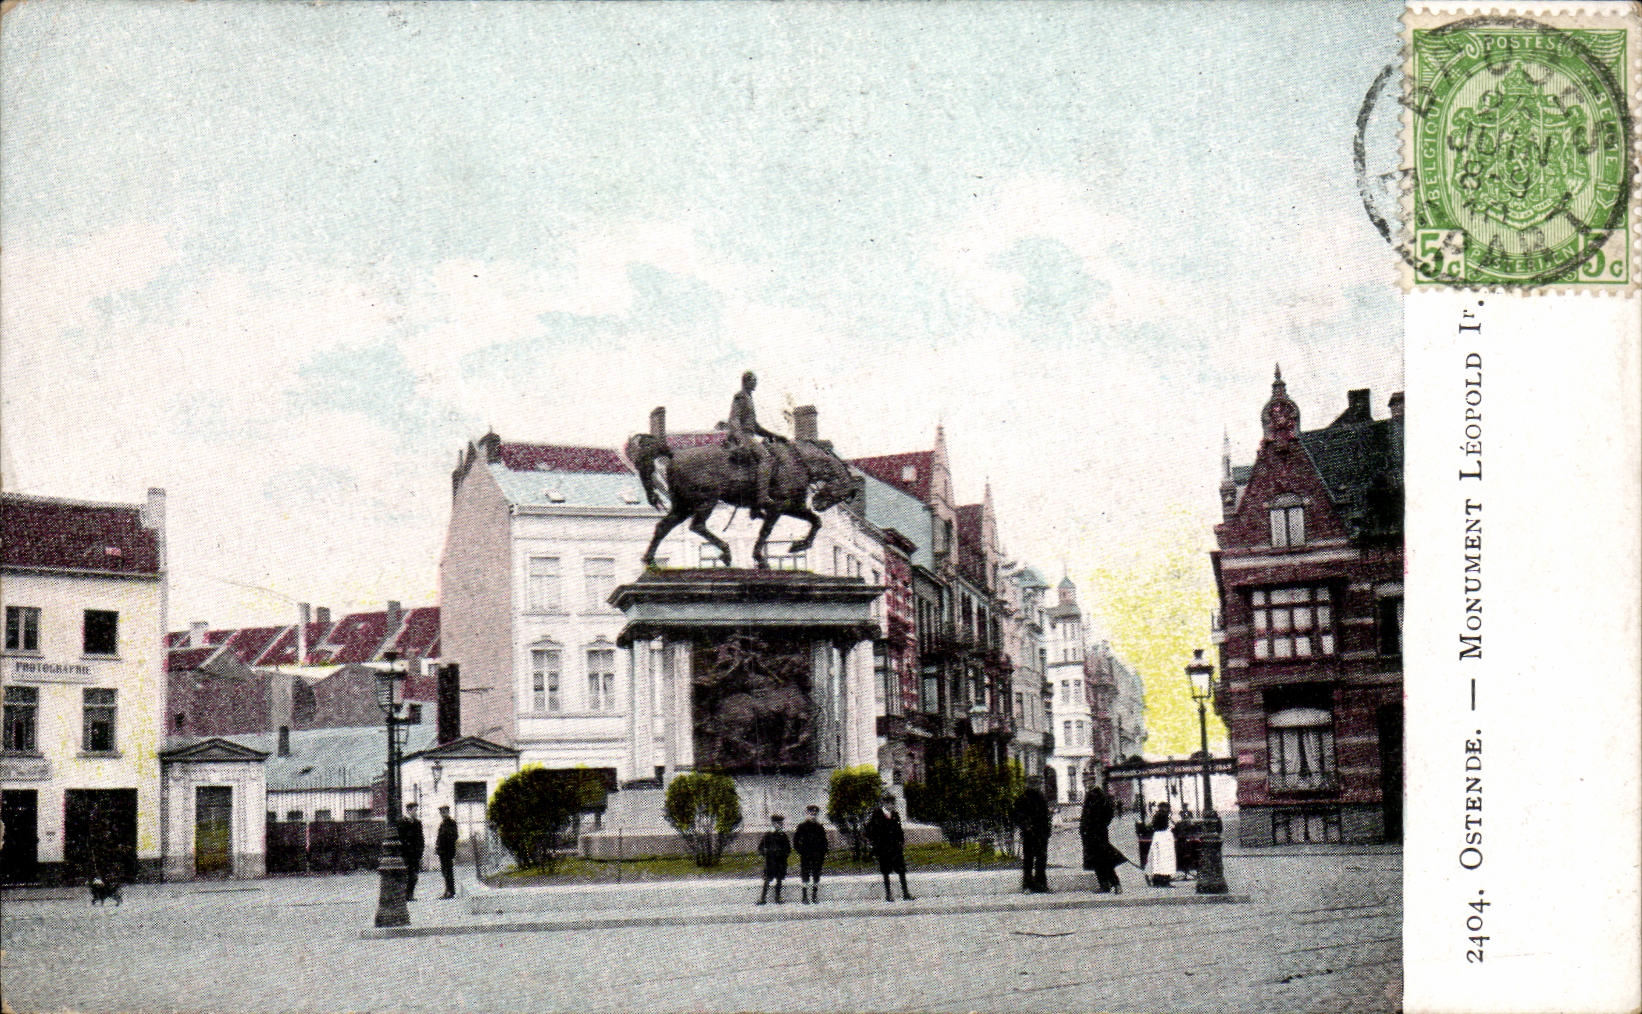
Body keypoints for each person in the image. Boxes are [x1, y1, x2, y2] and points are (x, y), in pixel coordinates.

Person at [724, 371, 785, 518]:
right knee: (766, 458)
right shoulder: (741, 396)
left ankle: (755, 507)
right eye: (754, 381)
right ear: (747, 381)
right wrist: (740, 439)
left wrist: (773, 435)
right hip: (744, 436)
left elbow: (755, 426)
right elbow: (734, 420)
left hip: (749, 435)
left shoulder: (749, 398)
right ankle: (762, 496)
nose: (756, 383)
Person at [864, 792, 915, 902]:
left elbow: (899, 829)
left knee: (901, 870)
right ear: (884, 803)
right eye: (889, 803)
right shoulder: (877, 814)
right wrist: (874, 843)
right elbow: (869, 830)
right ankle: (888, 894)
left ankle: (905, 893)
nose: (891, 805)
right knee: (886, 871)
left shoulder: (895, 814)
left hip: (895, 848)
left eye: (892, 803)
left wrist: (901, 841)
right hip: (883, 848)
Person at [1012, 776, 1052, 893]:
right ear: (1029, 785)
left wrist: (1047, 830)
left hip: (1041, 834)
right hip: (1029, 834)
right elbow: (1017, 815)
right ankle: (1028, 885)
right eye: (1033, 784)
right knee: (1028, 860)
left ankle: (1041, 884)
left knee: (1041, 859)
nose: (1036, 786)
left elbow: (1046, 816)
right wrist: (1026, 826)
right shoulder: (1023, 798)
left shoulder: (1041, 798)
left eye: (1037, 784)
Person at [1080, 781, 1122, 894]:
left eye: (1089, 782)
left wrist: (1096, 826)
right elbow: (1109, 813)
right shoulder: (1101, 796)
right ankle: (1114, 884)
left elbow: (1089, 816)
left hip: (1093, 834)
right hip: (1099, 833)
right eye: (1086, 782)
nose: (1087, 784)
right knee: (1104, 859)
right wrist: (1103, 825)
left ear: (1093, 783)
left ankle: (1106, 885)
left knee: (1098, 860)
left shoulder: (1093, 796)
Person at [793, 804, 829, 904]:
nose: (813, 816)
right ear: (807, 814)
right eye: (811, 814)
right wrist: (802, 851)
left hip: (817, 855)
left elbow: (824, 841)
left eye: (815, 814)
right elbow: (796, 842)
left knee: (816, 875)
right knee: (805, 875)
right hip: (806, 855)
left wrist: (823, 852)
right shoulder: (802, 826)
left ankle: (814, 896)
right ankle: (804, 897)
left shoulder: (819, 827)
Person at [756, 814, 791, 905]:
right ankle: (762, 898)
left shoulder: (783, 835)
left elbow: (788, 849)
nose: (779, 825)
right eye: (777, 823)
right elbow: (760, 848)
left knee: (779, 880)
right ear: (773, 824)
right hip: (770, 862)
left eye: (780, 823)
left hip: (780, 862)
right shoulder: (768, 835)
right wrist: (767, 853)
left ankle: (778, 897)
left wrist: (783, 854)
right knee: (767, 880)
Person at [1145, 801, 1177, 887]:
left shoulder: (1157, 816)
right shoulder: (1164, 816)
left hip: (1158, 837)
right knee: (1165, 859)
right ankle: (1164, 879)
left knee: (1157, 859)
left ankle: (1157, 879)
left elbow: (1153, 826)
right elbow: (1170, 826)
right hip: (1164, 838)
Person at [397, 802, 425, 901]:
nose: (416, 812)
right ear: (409, 810)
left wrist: (420, 852)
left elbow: (421, 839)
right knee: (406, 875)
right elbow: (401, 839)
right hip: (406, 854)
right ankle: (404, 894)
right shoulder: (402, 822)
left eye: (416, 810)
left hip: (415, 855)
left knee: (414, 876)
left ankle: (410, 894)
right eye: (414, 810)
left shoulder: (418, 823)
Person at [435, 805, 459, 899]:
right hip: (442, 851)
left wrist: (447, 841)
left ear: (448, 812)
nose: (443, 814)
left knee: (448, 871)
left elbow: (455, 836)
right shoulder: (442, 824)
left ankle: (451, 891)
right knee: (444, 872)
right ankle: (447, 890)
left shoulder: (452, 823)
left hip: (448, 851)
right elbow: (439, 837)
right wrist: (437, 846)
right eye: (441, 812)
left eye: (444, 812)